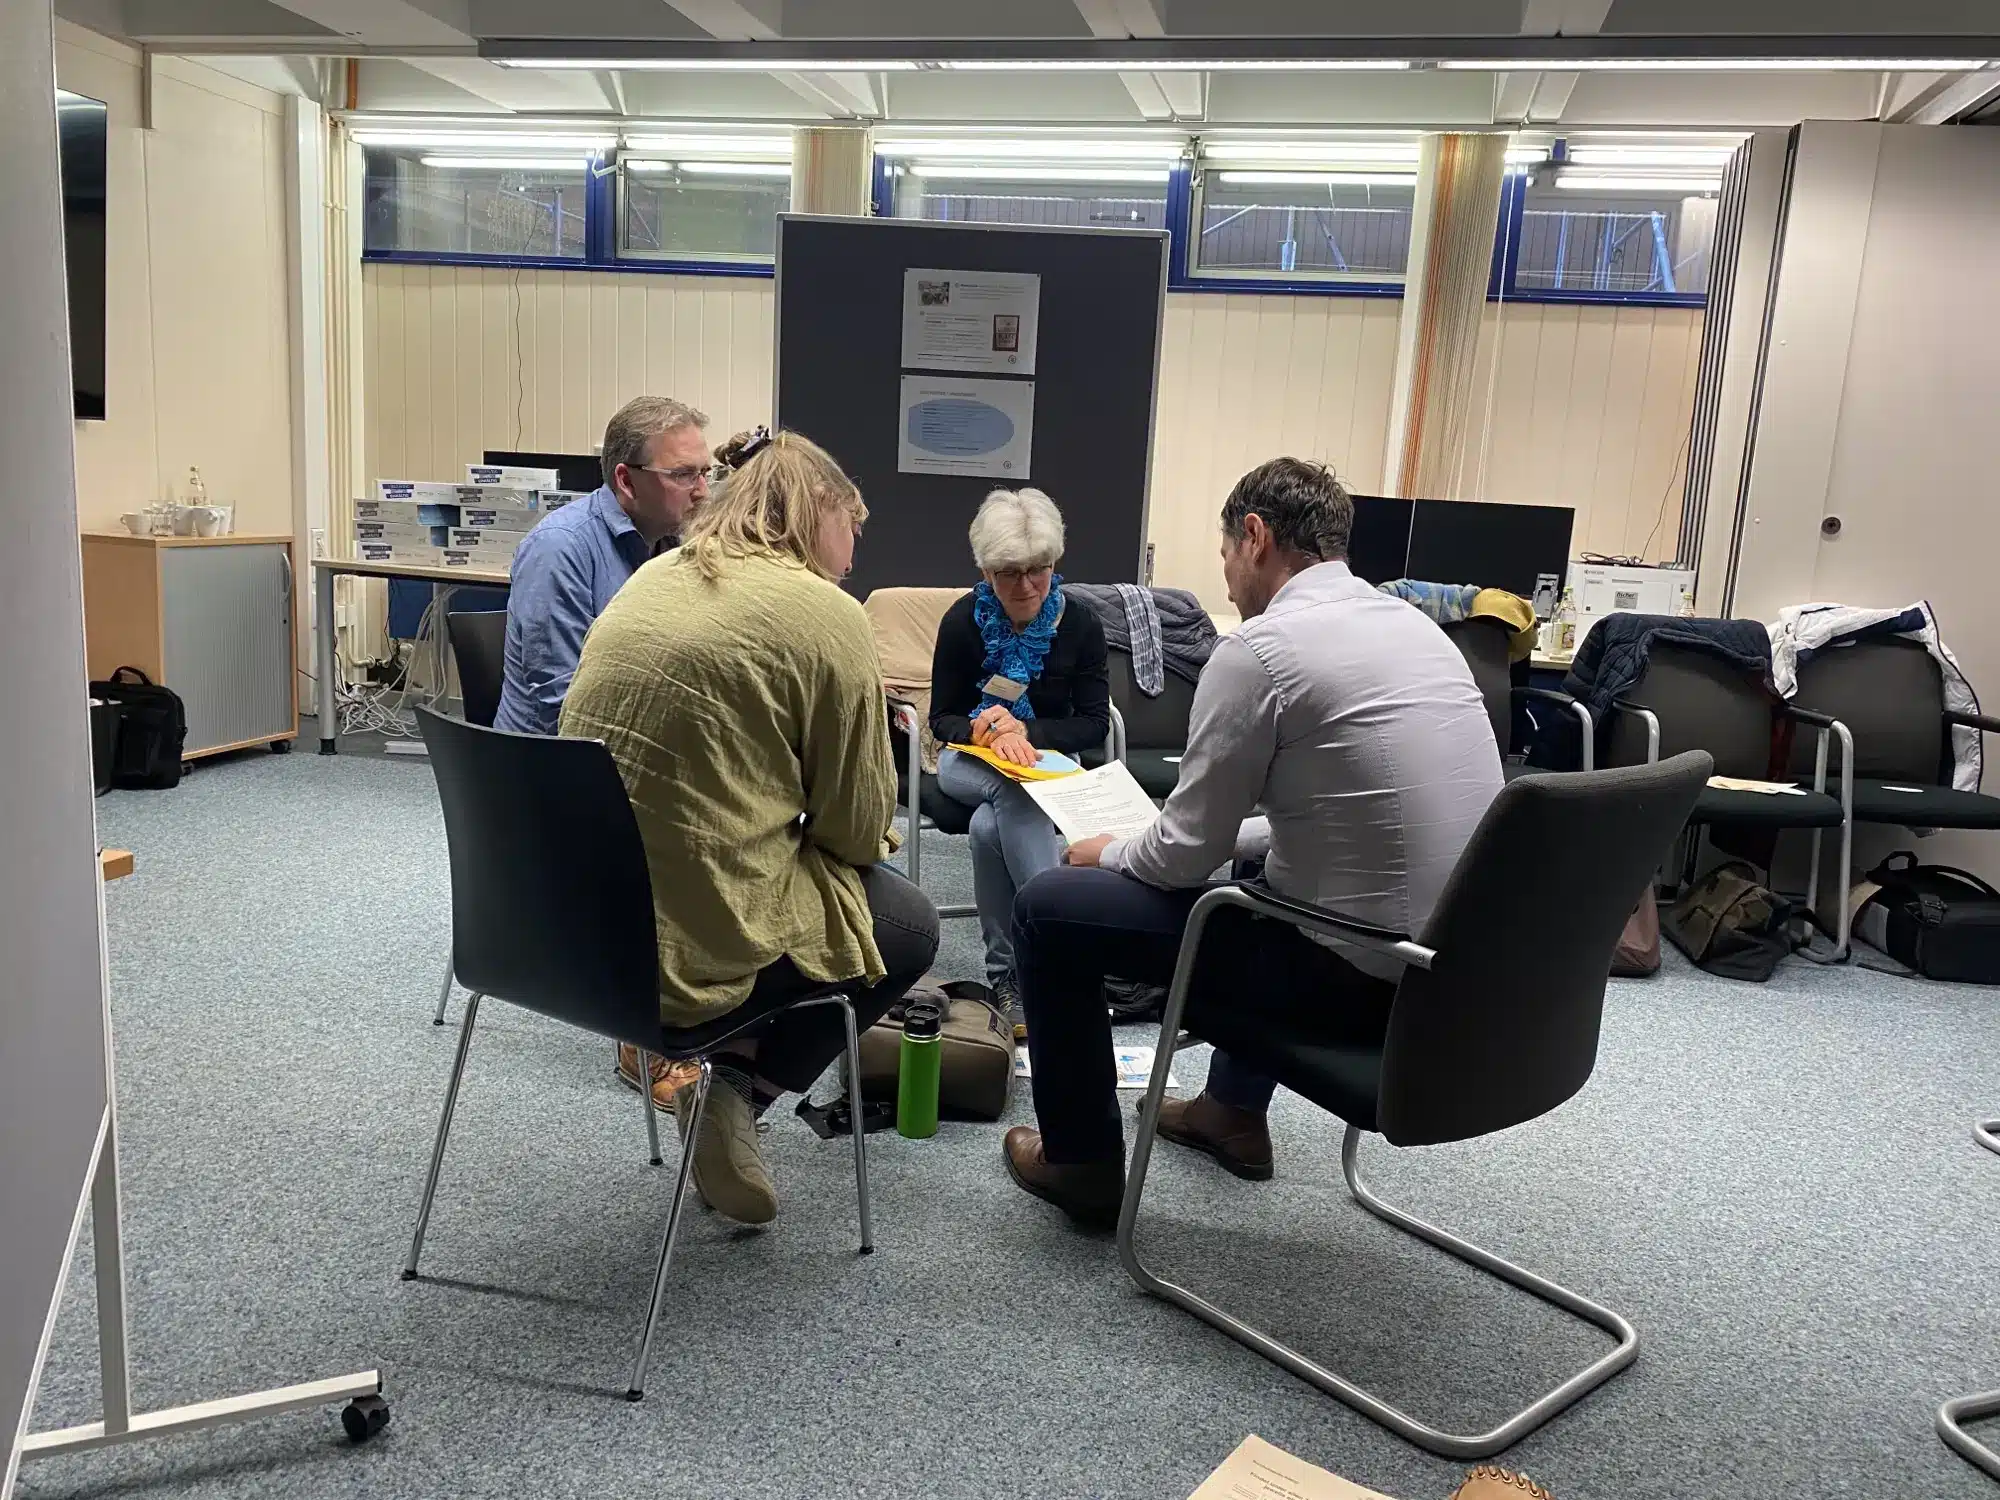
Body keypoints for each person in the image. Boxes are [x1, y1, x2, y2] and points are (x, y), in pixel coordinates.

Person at [999, 457, 1504, 1229]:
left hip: (1358, 989)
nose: (1228, 581)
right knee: (1263, 863)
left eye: (1226, 553)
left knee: (1048, 909)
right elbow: (1338, 817)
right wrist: (1222, 840)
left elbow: (1180, 859)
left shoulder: (1260, 651)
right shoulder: (1420, 631)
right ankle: (1230, 1111)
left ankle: (1081, 1163)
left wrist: (1109, 850)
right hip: (1459, 982)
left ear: (1256, 537)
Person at [560, 430, 940, 1226]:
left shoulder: (656, 574)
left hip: (563, 936)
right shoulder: (828, 614)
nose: (854, 555)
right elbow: (857, 829)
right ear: (821, 514)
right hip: (675, 955)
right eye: (854, 529)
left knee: (757, 856)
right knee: (906, 924)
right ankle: (736, 1089)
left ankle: (724, 1081)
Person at [929, 488, 1110, 1033]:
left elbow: (1094, 723)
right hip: (969, 762)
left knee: (989, 826)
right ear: (986, 572)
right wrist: (983, 730)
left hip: (1047, 760)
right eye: (1010, 573)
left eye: (1039, 569)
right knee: (1011, 789)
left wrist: (1026, 730)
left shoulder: (1081, 624)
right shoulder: (962, 622)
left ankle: (1008, 975)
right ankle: (1063, 940)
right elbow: (942, 718)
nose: (1027, 585)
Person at [493, 394, 710, 737]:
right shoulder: (560, 548)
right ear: (626, 481)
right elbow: (563, 704)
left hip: (630, 728)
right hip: (554, 755)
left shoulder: (675, 541)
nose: (703, 492)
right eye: (683, 475)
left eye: (705, 473)